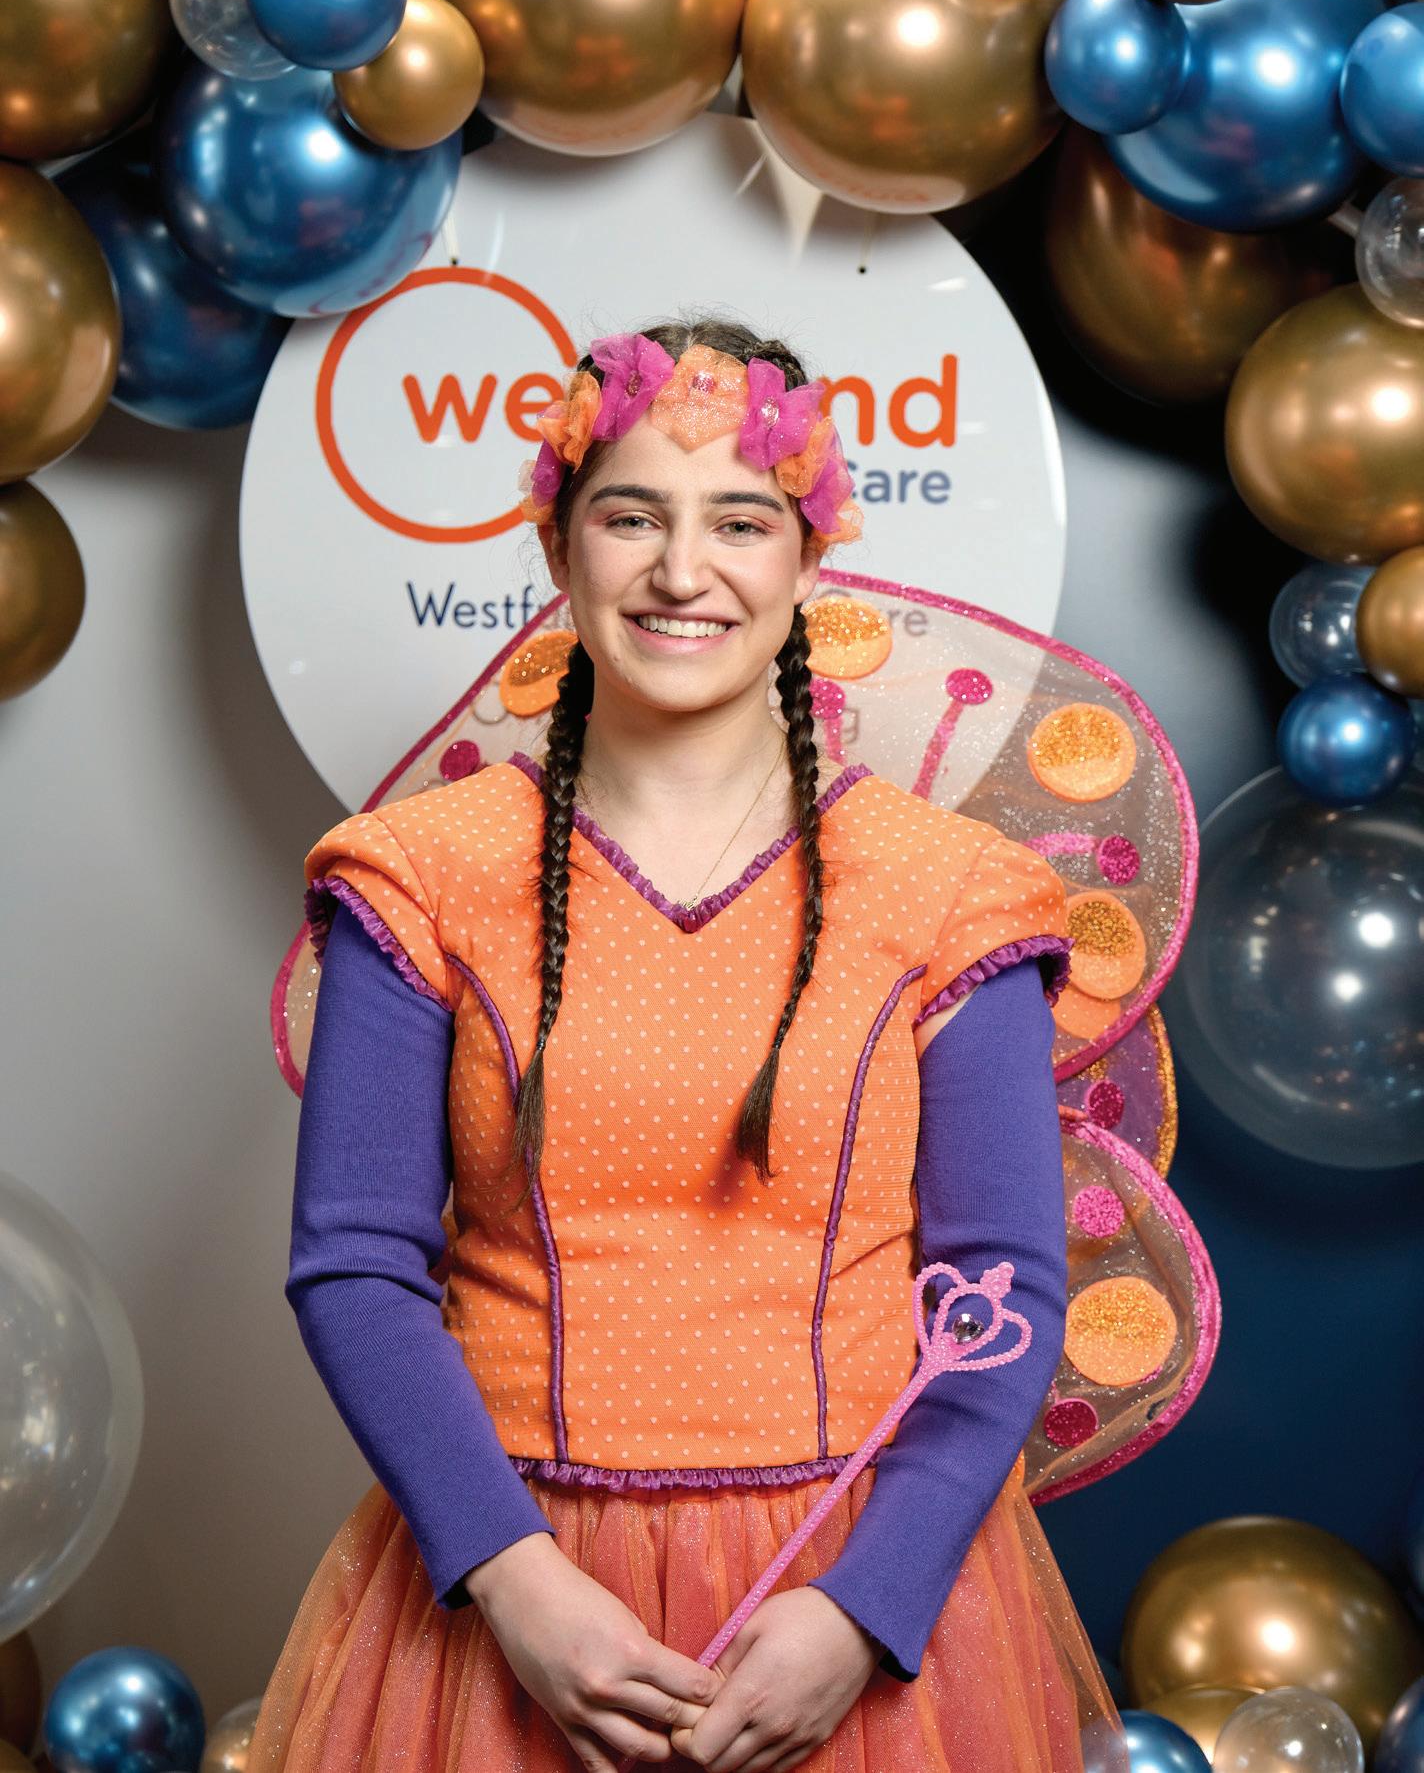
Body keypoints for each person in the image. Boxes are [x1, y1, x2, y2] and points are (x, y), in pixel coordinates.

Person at [247, 316, 1131, 1773]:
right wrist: (515, 1584)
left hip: (851, 1583)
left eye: (739, 520)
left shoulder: (952, 892)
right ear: (558, 544)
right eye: (631, 515)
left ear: (808, 558)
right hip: (514, 1587)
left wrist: (867, 1610)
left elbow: (1004, 1292)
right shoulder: (417, 876)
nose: (681, 569)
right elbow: (353, 1263)